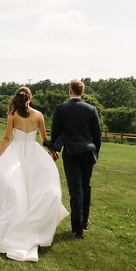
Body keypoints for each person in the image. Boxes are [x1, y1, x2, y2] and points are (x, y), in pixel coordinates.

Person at [0, 87, 68, 262]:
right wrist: (52, 153)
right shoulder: (39, 115)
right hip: (33, 153)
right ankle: (32, 221)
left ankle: (10, 218)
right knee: (35, 187)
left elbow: (6, 138)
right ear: (30, 98)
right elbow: (44, 139)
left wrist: (0, 159)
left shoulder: (13, 115)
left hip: (16, 152)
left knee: (13, 186)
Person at [46, 80, 101, 239]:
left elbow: (55, 132)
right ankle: (84, 221)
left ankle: (78, 229)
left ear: (70, 91)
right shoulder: (92, 109)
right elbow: (97, 136)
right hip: (88, 153)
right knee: (86, 186)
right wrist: (95, 154)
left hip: (70, 153)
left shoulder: (61, 108)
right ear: (82, 92)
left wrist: (52, 146)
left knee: (76, 190)